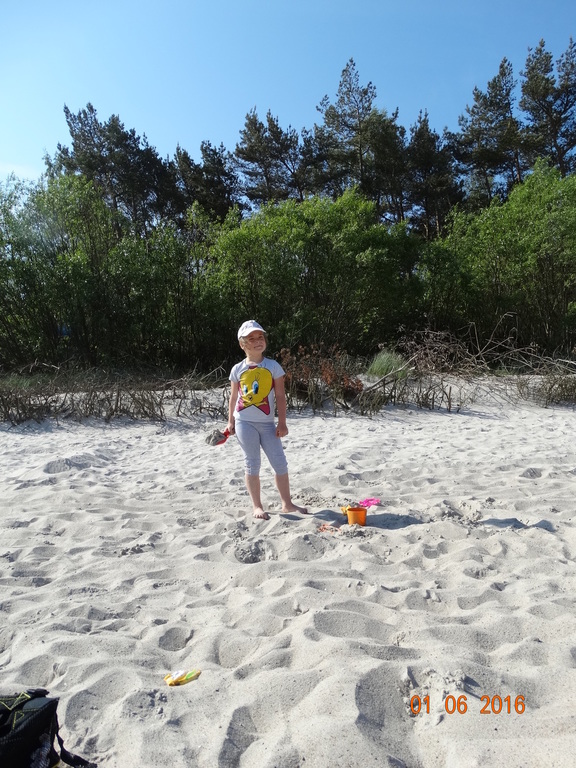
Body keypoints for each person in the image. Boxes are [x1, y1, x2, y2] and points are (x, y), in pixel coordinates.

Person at [227, 320, 308, 520]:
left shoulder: (273, 366)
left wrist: (282, 422)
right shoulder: (237, 369)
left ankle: (287, 504)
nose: (257, 341)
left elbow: (280, 395)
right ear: (242, 344)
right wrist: (230, 422)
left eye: (260, 337)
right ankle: (257, 506)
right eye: (251, 338)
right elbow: (234, 397)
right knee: (252, 463)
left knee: (279, 462)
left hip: (267, 423)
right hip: (244, 422)